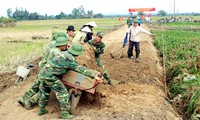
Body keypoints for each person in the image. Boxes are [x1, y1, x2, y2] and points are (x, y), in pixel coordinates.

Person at [38, 43, 101, 119]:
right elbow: (80, 69)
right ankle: (64, 114)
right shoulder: (70, 60)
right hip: (50, 76)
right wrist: (94, 76)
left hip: (43, 73)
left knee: (45, 92)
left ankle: (41, 109)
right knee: (63, 93)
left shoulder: (64, 53)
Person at [18, 35, 68, 110]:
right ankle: (29, 102)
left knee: (35, 86)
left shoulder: (52, 48)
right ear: (62, 44)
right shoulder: (58, 53)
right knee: (43, 89)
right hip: (47, 72)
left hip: (43, 68)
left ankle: (24, 98)